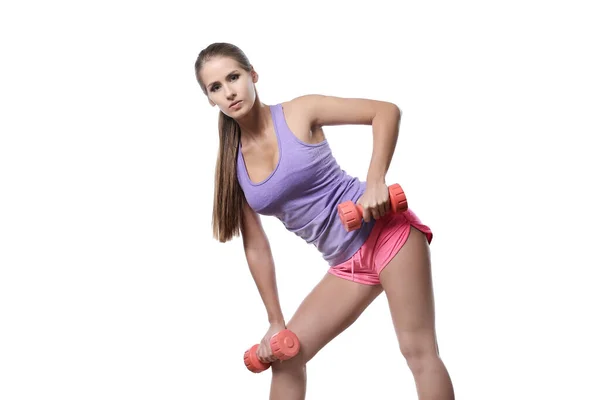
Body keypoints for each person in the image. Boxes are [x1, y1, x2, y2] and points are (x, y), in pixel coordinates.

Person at [194, 42, 455, 400]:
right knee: (288, 357)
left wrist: (376, 181)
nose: (229, 91)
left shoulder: (300, 112)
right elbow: (256, 246)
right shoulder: (232, 168)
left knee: (418, 351)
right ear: (210, 100)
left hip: (387, 232)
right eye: (216, 87)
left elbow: (385, 112)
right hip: (347, 265)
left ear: (253, 75)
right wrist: (275, 321)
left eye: (234, 77)